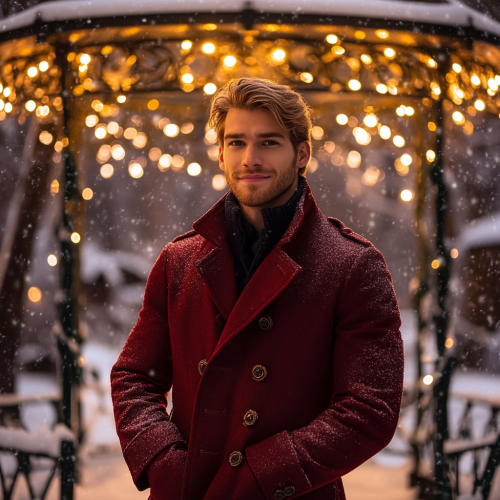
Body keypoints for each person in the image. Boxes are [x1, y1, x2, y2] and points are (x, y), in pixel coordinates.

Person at [111, 77, 404, 500]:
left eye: (268, 142)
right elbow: (134, 375)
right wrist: (164, 460)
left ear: (301, 153)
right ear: (220, 152)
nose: (249, 158)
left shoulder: (353, 265)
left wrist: (265, 472)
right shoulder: (178, 261)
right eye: (235, 142)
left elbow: (369, 409)